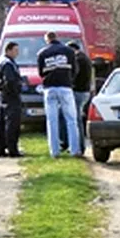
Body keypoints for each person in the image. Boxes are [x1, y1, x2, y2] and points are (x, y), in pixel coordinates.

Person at [37, 31, 82, 159]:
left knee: (51, 121)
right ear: (57, 38)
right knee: (71, 120)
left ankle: (54, 151)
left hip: (49, 88)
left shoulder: (42, 53)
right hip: (65, 87)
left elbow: (41, 73)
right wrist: (69, 79)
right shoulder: (68, 51)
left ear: (47, 40)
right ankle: (74, 150)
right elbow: (75, 69)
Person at [0, 42, 23, 158]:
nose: (17, 53)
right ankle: (12, 150)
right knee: (12, 123)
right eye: (15, 50)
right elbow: (9, 81)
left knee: (1, 123)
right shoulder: (8, 64)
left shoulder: (0, 61)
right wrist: (16, 91)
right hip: (10, 96)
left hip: (1, 95)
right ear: (8, 50)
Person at [68, 41, 93, 148]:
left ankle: (79, 145)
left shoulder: (78, 59)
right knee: (78, 117)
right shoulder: (86, 58)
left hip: (78, 91)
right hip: (85, 91)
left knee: (76, 119)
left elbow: (75, 74)